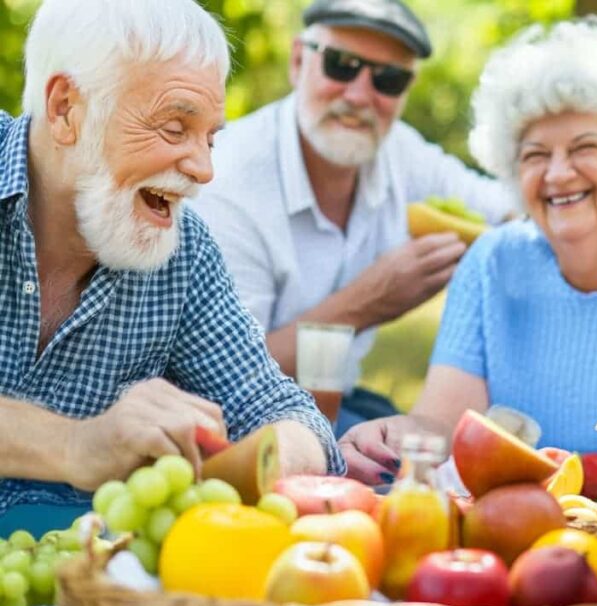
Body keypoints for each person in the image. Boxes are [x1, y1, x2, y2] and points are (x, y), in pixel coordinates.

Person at [340, 18, 597, 484]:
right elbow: (441, 425)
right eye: (535, 155)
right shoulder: (491, 261)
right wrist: (394, 434)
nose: (558, 173)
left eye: (584, 147)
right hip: (516, 526)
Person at [0, 0, 342, 537]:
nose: (204, 170)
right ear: (66, 108)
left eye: (210, 137)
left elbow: (280, 409)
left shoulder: (182, 252)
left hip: (84, 591)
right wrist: (76, 445)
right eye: (175, 127)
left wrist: (285, 450)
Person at [190, 0, 518, 435]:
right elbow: (222, 376)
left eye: (388, 79)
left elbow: (508, 212)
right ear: (297, 61)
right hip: (240, 420)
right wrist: (365, 303)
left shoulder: (399, 151)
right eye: (341, 65)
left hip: (340, 401)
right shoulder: (230, 182)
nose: (360, 95)